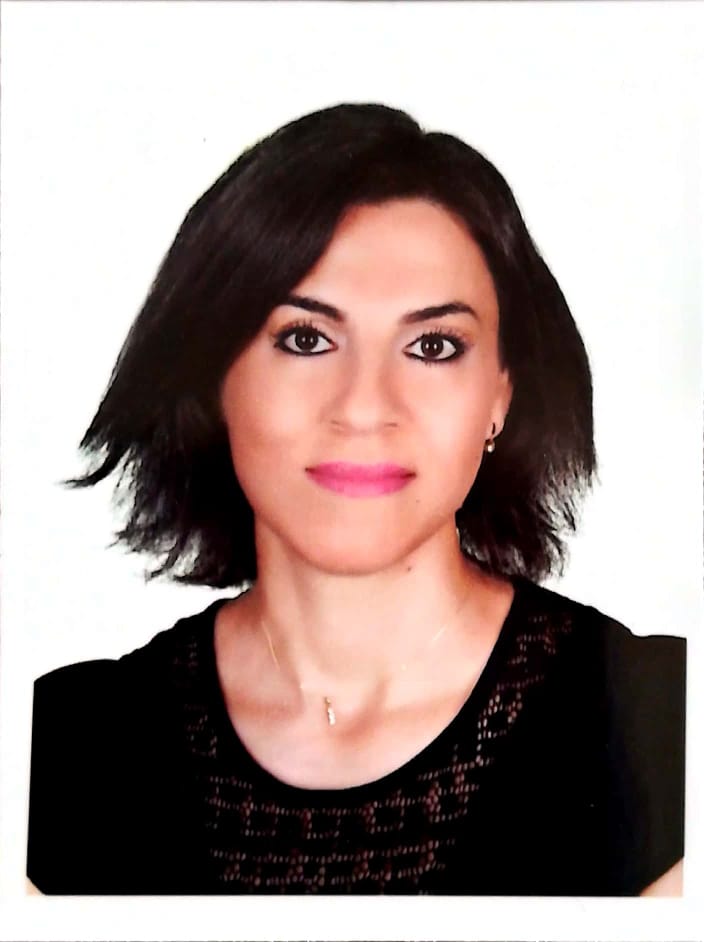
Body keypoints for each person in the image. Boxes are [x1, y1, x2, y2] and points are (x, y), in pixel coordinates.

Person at [26, 103, 685, 896]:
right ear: (213, 380)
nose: (365, 407)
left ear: (501, 397)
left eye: (433, 346)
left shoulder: (667, 729)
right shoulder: (56, 752)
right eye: (306, 339)